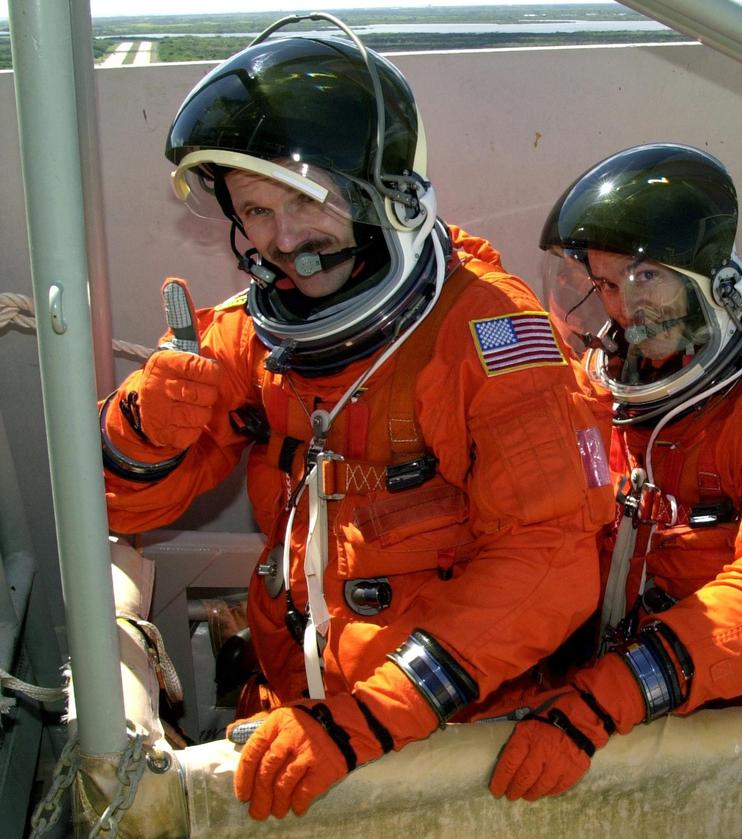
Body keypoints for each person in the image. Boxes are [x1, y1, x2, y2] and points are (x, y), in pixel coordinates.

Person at [98, 20, 613, 821]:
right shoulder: (247, 334)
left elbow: (551, 562)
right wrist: (141, 431)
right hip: (293, 714)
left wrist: (372, 716)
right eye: (257, 211)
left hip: (450, 730)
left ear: (384, 189)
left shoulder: (486, 335)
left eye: (306, 200)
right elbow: (112, 510)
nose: (284, 240)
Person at [487, 143, 742, 802]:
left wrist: (605, 699)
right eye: (605, 284)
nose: (625, 308)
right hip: (616, 663)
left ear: (710, 278)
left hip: (740, 704)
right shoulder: (613, 376)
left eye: (644, 278)